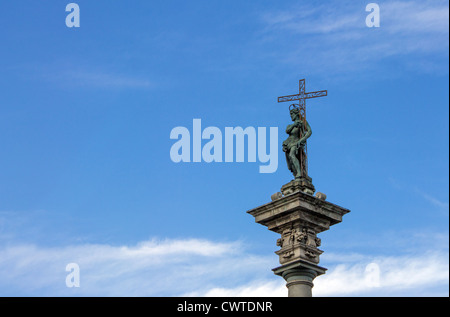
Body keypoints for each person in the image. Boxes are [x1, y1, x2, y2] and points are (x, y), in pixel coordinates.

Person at [282, 104, 311, 179]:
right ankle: (296, 173)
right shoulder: (290, 125)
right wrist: (294, 124)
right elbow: (287, 131)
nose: (291, 116)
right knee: (290, 160)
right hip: (289, 142)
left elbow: (309, 131)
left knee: (292, 155)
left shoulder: (302, 122)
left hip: (296, 141)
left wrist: (302, 139)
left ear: (296, 114)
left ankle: (299, 172)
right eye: (290, 115)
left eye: (292, 115)